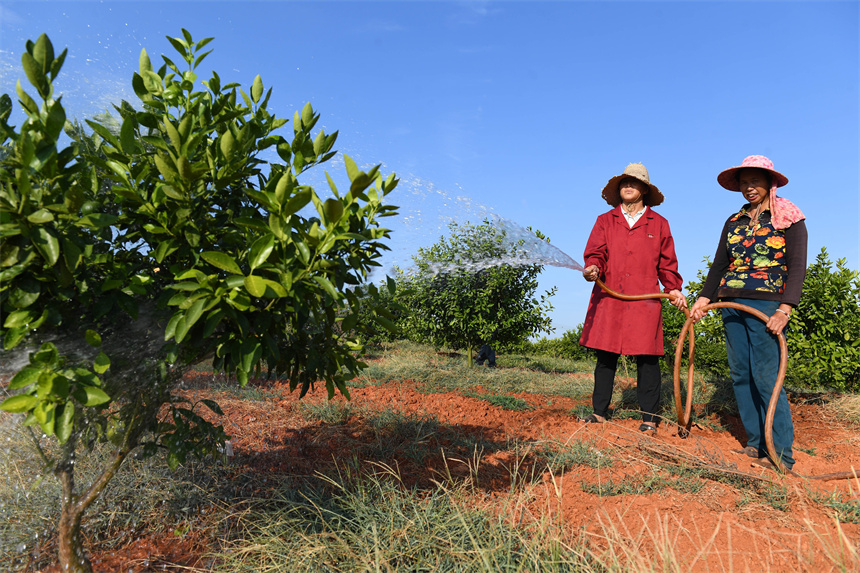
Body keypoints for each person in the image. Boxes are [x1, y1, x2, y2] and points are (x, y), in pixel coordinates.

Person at [690, 155, 807, 472]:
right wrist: (703, 298)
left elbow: (797, 267)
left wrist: (786, 308)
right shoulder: (733, 221)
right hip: (730, 303)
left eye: (754, 181)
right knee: (741, 375)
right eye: (744, 182)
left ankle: (781, 454)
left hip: (767, 304)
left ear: (769, 183)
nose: (748, 188)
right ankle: (755, 443)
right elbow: (719, 265)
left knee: (767, 377)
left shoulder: (788, 217)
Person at [579, 163, 687, 433]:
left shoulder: (659, 224)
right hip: (610, 295)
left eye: (635, 182)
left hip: (645, 298)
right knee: (606, 355)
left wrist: (672, 287)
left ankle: (649, 418)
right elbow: (596, 253)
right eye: (624, 183)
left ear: (644, 190)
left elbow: (667, 262)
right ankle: (599, 412)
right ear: (619, 189)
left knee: (647, 358)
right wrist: (593, 267)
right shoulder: (605, 220)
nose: (628, 186)